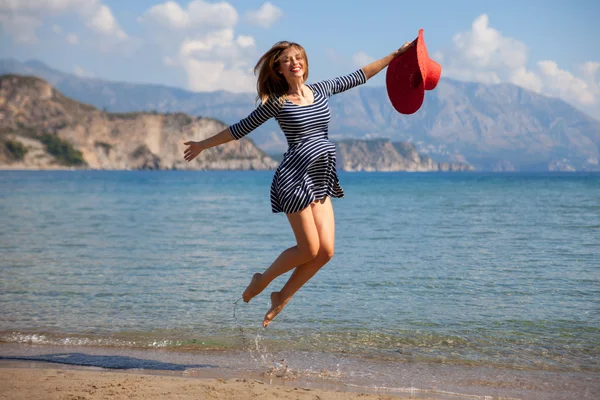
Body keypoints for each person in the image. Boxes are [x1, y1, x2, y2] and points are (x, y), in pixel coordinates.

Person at [183, 40, 414, 327]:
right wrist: (202, 145)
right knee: (308, 250)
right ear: (279, 69)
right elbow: (240, 128)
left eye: (298, 57)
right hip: (293, 178)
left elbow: (361, 74)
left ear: (304, 62)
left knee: (326, 251)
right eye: (287, 60)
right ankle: (262, 279)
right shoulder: (278, 104)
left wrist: (394, 56)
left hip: (320, 176)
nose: (294, 62)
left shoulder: (321, 90)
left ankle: (281, 296)